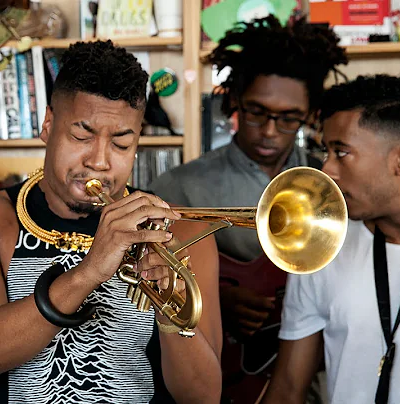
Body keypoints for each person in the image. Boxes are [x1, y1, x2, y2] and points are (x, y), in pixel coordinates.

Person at [0, 39, 223, 403]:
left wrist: (170, 306)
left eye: (121, 143)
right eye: (81, 135)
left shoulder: (182, 231)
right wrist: (89, 272)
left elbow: (203, 397)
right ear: (47, 125)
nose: (100, 161)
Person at [148, 15, 348, 403]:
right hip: (221, 376)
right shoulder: (179, 187)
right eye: (257, 112)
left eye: (289, 118)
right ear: (234, 101)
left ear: (310, 115)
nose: (271, 131)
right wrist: (213, 297)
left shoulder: (330, 189)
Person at [261, 74, 400, 404]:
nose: (327, 169)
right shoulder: (318, 244)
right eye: (326, 151)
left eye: (341, 152)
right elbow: (288, 388)